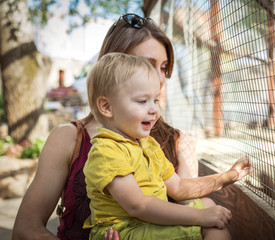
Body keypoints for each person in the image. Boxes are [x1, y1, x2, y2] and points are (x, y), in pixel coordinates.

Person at [13, 13, 198, 240]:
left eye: (164, 67)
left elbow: (197, 223)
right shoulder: (69, 138)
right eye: (147, 65)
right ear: (112, 66)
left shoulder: (180, 144)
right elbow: (25, 230)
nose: (160, 80)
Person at [84, 52, 252, 240]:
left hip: (146, 223)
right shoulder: (106, 151)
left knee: (208, 205)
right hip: (125, 230)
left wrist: (227, 177)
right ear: (107, 107)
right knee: (211, 227)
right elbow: (138, 205)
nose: (155, 109)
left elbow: (178, 187)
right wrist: (199, 217)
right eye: (142, 101)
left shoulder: (148, 145)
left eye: (155, 100)